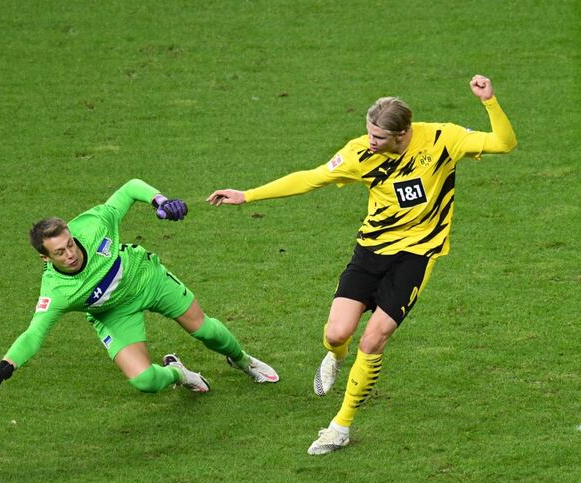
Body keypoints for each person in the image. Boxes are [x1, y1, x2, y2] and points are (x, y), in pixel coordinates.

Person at [207, 75, 516, 455]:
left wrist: (489, 101)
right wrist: (248, 195)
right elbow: (312, 178)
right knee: (337, 333)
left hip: (415, 256)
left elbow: (504, 143)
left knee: (373, 339)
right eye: (369, 133)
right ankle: (336, 357)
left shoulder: (441, 139)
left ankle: (341, 426)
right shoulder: (359, 153)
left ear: (403, 134)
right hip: (370, 251)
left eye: (379, 138)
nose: (371, 142)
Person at [0, 178, 279, 405]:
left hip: (147, 278)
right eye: (60, 253)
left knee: (205, 331)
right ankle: (179, 374)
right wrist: (3, 369)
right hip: (113, 313)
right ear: (45, 258)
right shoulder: (56, 291)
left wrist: (160, 201)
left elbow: (131, 187)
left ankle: (242, 361)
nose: (70, 253)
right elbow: (34, 334)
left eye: (69, 244)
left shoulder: (93, 225)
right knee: (145, 381)